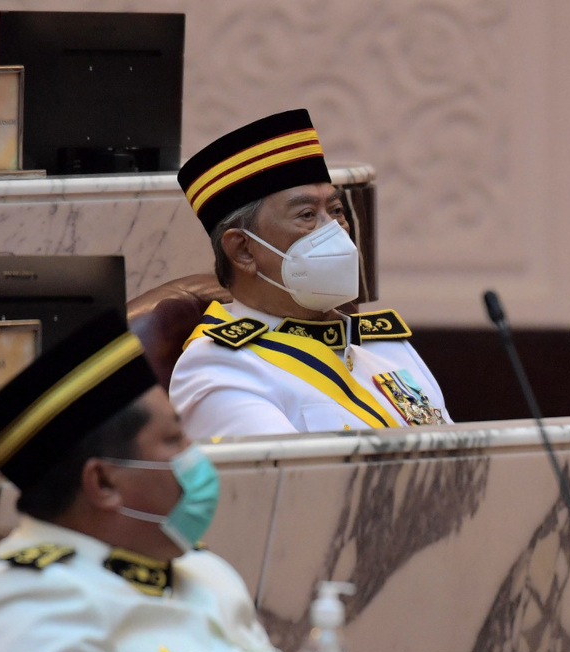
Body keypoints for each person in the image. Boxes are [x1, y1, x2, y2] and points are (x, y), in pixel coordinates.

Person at [0, 311, 291, 652]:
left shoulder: (205, 571)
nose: (197, 459)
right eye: (175, 440)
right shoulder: (25, 609)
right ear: (103, 483)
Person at [170, 109, 450, 438]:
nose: (334, 231)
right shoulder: (220, 368)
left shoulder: (386, 347)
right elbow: (295, 487)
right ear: (243, 250)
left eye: (336, 211)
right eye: (306, 215)